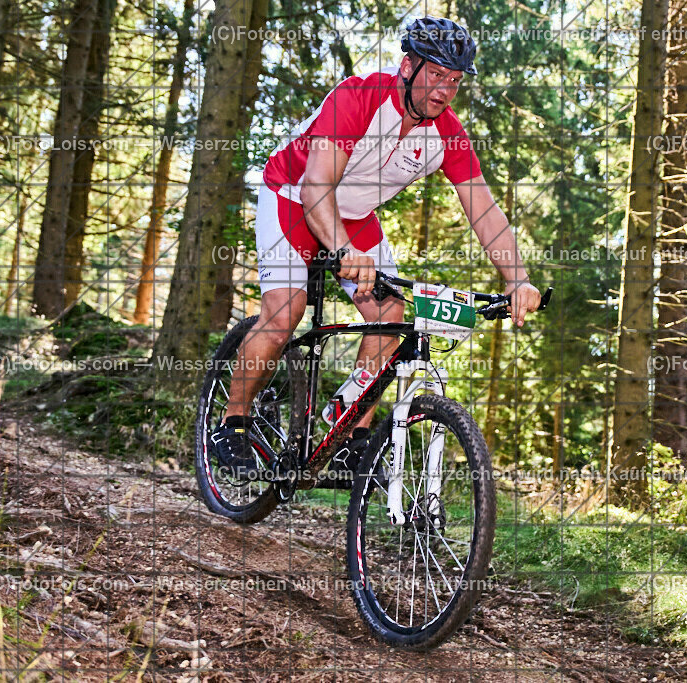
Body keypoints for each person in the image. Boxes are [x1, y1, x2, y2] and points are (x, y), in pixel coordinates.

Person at [211, 16, 541, 481]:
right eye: (436, 75)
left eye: (454, 80)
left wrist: (517, 280)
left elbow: (484, 212)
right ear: (407, 67)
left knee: (391, 316)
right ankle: (233, 424)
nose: (444, 90)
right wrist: (344, 248)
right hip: (293, 193)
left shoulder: (447, 134)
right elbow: (316, 187)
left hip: (354, 214)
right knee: (285, 310)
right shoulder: (359, 98)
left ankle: (349, 436)